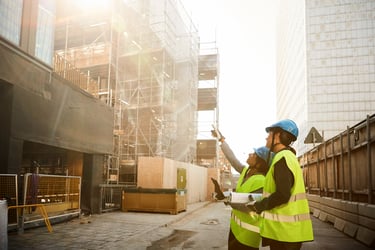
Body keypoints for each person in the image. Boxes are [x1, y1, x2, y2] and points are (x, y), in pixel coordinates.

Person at [251, 119, 314, 250]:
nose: (266, 137)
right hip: (286, 233)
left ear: (278, 136)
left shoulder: (282, 159)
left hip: (285, 234)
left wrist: (260, 206)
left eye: (269, 134)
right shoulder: (286, 157)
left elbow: (283, 194)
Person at [211, 129, 273, 250]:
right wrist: (222, 140)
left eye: (254, 155)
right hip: (235, 230)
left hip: (248, 235)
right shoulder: (246, 171)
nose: (250, 154)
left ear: (259, 164)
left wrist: (226, 197)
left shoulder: (262, 181)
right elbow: (232, 159)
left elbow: (249, 205)